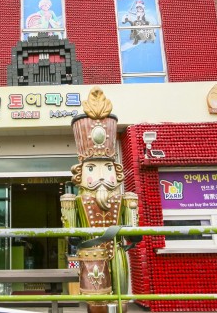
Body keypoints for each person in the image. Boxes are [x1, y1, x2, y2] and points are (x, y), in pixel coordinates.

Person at [60, 87, 139, 313]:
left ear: (117, 172)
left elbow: (133, 231)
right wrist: (69, 217)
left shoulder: (123, 198)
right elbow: (71, 233)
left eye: (108, 168)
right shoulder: (76, 200)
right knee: (96, 301)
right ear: (80, 174)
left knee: (121, 298)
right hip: (91, 254)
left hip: (118, 253)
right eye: (92, 168)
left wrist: (132, 214)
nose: (102, 176)